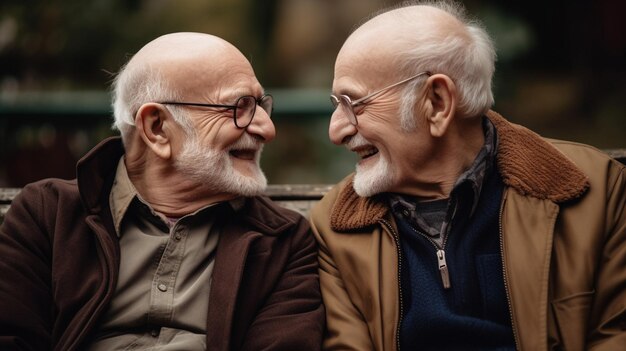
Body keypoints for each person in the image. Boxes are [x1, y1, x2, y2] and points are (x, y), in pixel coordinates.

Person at [310, 1, 626, 350]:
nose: (336, 130)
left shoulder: (596, 190)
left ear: (437, 101)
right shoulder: (336, 227)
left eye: (354, 103)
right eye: (335, 104)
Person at [0, 32, 324, 350]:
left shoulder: (283, 241)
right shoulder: (46, 216)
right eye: (240, 107)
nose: (267, 127)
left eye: (261, 104)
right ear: (157, 128)